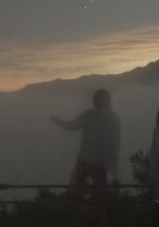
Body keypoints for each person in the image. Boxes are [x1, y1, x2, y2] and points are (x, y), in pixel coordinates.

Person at [51, 89, 120, 227]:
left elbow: (72, 126)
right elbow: (115, 145)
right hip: (101, 165)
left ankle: (79, 222)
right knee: (100, 203)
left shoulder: (89, 115)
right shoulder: (113, 118)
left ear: (94, 100)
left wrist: (58, 121)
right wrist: (113, 169)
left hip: (85, 162)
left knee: (77, 198)